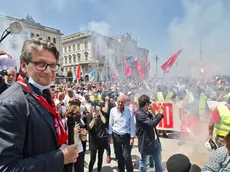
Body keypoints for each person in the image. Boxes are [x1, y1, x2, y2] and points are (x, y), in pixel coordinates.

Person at [0, 38, 78, 172]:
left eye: (53, 65)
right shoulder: (10, 103)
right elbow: (8, 168)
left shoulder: (44, 95)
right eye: (41, 64)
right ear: (23, 65)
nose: (48, 71)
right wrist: (61, 157)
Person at [136, 95, 164, 172]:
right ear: (146, 104)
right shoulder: (140, 114)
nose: (150, 105)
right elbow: (152, 124)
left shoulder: (147, 112)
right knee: (144, 164)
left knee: (158, 162)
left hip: (155, 141)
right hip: (146, 143)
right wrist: (160, 115)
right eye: (149, 103)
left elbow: (154, 119)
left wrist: (154, 111)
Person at [108, 95, 135, 172]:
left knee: (126, 156)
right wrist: (110, 136)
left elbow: (132, 124)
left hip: (126, 135)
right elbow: (110, 123)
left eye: (122, 102)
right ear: (117, 102)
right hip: (116, 136)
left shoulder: (129, 110)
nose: (120, 103)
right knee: (119, 156)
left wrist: (132, 137)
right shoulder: (112, 110)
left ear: (125, 102)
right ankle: (121, 170)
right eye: (119, 101)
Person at [64, 99, 87, 172]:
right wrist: (72, 132)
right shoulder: (64, 120)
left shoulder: (80, 120)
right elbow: (62, 137)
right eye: (74, 108)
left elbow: (83, 139)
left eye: (77, 109)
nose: (76, 111)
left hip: (79, 149)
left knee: (79, 169)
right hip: (67, 149)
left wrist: (84, 134)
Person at [87, 102, 107, 172]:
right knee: (93, 159)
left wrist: (100, 113)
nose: (94, 110)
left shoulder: (101, 115)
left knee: (100, 158)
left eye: (96, 108)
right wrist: (94, 118)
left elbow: (105, 122)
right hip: (93, 141)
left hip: (101, 140)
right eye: (93, 108)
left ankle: (99, 170)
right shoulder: (89, 116)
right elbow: (89, 127)